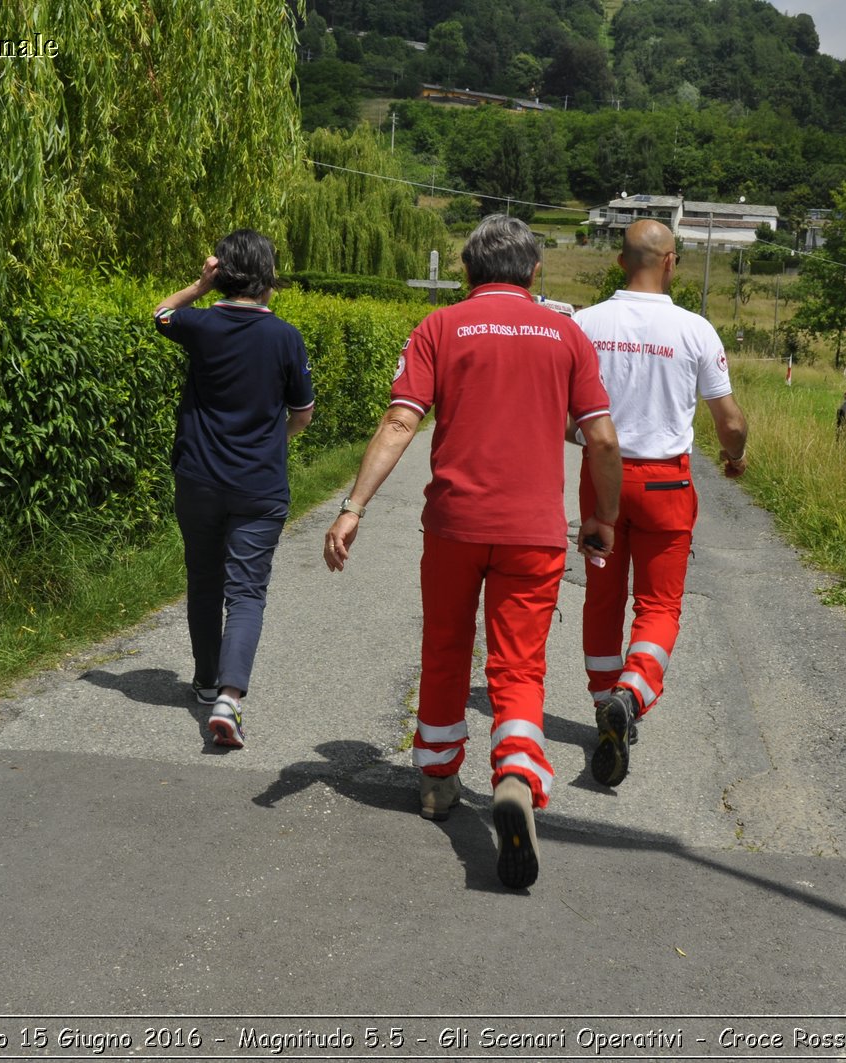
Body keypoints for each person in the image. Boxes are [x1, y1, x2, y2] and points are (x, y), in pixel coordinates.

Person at [323, 215, 622, 890]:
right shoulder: (567, 335)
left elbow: (402, 418)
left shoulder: (441, 327)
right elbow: (602, 439)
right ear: (535, 273)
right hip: (533, 530)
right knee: (518, 664)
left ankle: (436, 779)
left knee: (446, 644)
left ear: (467, 270)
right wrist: (604, 516)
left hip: (454, 525)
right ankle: (516, 774)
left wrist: (354, 506)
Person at [569, 219, 749, 787]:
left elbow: (561, 415)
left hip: (602, 477)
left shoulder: (585, 324)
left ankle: (605, 705)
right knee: (660, 605)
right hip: (667, 485)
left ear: (621, 261)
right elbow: (730, 422)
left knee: (602, 597)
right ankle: (633, 691)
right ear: (671, 262)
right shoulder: (695, 330)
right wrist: (734, 457)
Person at [154, 229, 315, 749]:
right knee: (246, 592)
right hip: (259, 486)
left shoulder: (200, 325)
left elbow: (160, 313)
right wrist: (273, 441)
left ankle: (202, 681)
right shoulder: (286, 337)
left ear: (221, 274)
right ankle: (228, 697)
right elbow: (302, 412)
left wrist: (199, 287)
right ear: (269, 279)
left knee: (203, 579)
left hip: (198, 478)